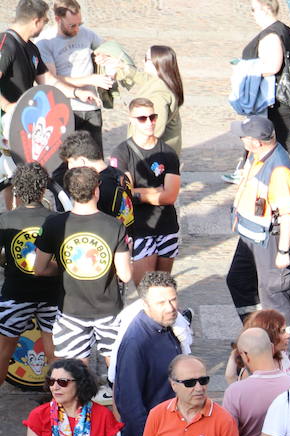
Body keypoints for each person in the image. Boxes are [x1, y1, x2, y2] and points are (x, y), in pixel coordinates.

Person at [33, 166, 132, 361]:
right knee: (116, 366)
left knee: (74, 372)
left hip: (70, 310)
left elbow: (39, 268)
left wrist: (65, 268)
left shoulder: (54, 223)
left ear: (70, 192)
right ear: (96, 190)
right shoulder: (115, 225)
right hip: (109, 309)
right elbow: (126, 275)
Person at [230, 0, 290, 192]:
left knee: (287, 138)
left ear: (266, 8)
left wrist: (245, 68)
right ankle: (242, 171)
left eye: (254, 9)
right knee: (254, 129)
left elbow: (273, 66)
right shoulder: (283, 29)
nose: (252, 14)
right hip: (275, 94)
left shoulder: (271, 35)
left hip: (274, 97)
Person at [226, 114, 290, 324]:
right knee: (238, 280)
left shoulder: (279, 169)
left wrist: (283, 252)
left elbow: (288, 214)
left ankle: (281, 341)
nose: (241, 139)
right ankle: (256, 327)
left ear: (256, 142)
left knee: (273, 292)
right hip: (252, 233)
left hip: (269, 239)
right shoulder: (256, 154)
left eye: (243, 136)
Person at [112, 271, 180, 436]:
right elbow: (129, 403)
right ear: (144, 304)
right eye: (161, 303)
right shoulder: (136, 342)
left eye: (173, 300)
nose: (170, 308)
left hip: (170, 434)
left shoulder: (163, 326)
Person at [112, 96, 181, 282]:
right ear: (131, 120)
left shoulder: (168, 153)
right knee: (145, 288)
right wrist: (157, 191)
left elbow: (170, 196)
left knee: (163, 286)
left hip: (166, 226)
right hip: (139, 228)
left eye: (152, 117)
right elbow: (125, 195)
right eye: (142, 118)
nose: (149, 122)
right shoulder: (121, 153)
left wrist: (140, 193)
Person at [0, 163, 58, 374]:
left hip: (15, 294)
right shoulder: (56, 219)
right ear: (43, 189)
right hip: (52, 295)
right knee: (55, 354)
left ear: (16, 190)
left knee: (3, 352)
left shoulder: (5, 220)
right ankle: (59, 392)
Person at [0, 0, 100, 116]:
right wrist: (6, 106)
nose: (45, 25)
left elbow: (49, 81)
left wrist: (77, 93)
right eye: (45, 21)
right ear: (36, 21)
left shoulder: (32, 48)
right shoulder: (5, 44)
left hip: (21, 119)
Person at [90, 41, 182, 152]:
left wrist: (134, 152)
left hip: (153, 154)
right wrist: (122, 66)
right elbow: (142, 77)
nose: (143, 61)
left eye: (146, 58)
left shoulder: (159, 94)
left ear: (157, 63)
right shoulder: (160, 81)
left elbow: (154, 129)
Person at [34, 0, 106, 135]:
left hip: (91, 107)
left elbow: (107, 50)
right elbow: (51, 79)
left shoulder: (87, 34)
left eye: (79, 24)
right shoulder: (45, 42)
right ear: (58, 19)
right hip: (64, 109)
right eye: (72, 25)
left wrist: (102, 56)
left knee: (94, 149)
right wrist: (89, 79)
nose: (77, 29)